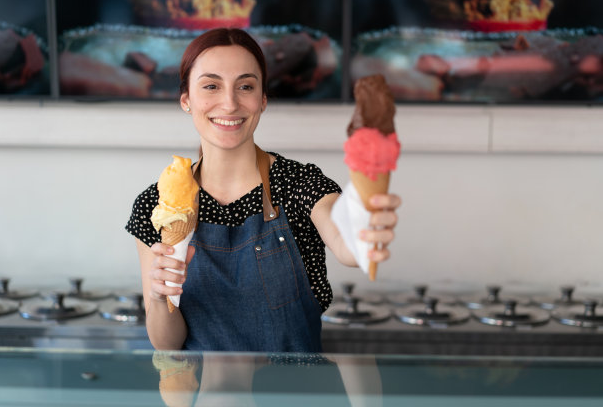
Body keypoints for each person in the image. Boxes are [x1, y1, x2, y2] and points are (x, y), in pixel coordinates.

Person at [125, 28, 401, 352]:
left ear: (263, 99)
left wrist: (365, 229)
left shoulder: (298, 184)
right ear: (186, 99)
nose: (229, 103)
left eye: (245, 86)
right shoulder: (156, 204)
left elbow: (345, 241)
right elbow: (166, 344)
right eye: (211, 86)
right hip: (204, 397)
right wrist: (159, 298)